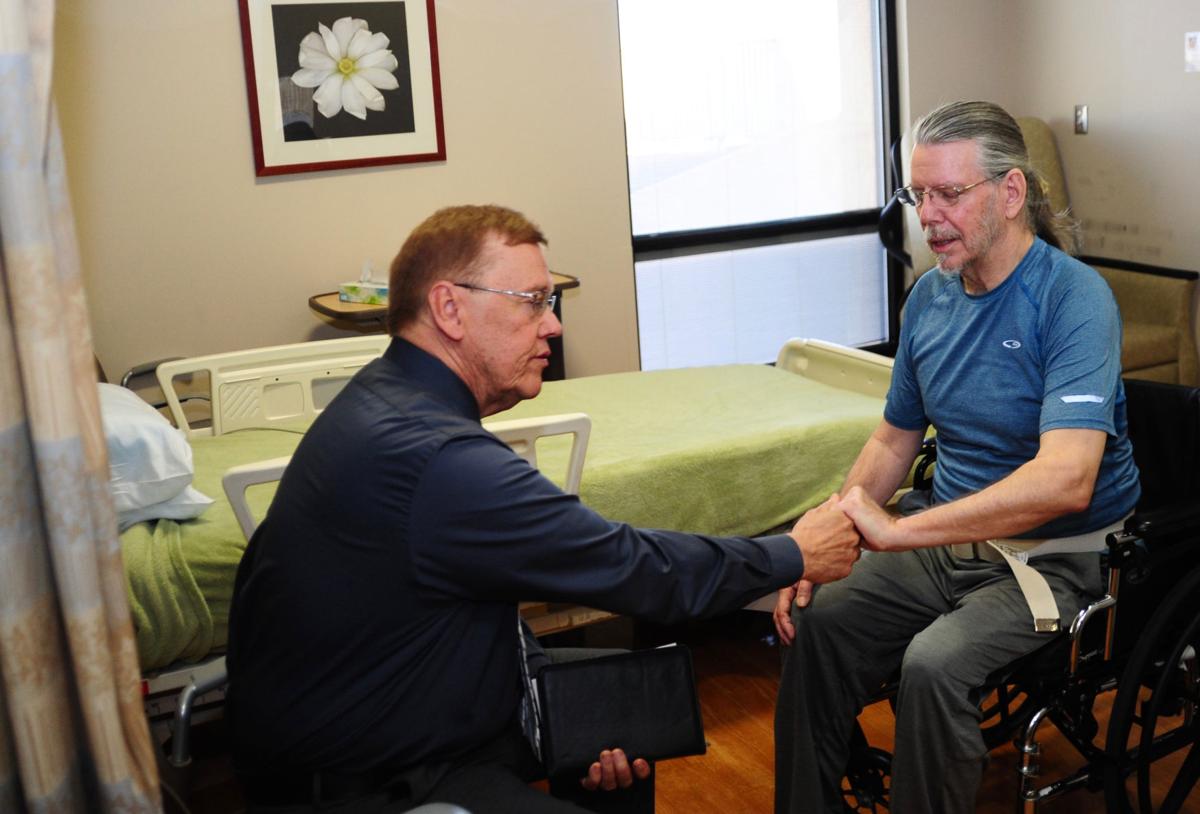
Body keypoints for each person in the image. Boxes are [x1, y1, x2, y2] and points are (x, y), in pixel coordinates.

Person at [226, 204, 862, 813]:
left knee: (624, 723)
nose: (553, 325)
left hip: (396, 709)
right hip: (371, 782)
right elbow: (638, 570)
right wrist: (795, 552)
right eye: (532, 302)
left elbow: (461, 593)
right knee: (619, 719)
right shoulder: (442, 461)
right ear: (449, 308)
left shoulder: (383, 395)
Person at [773, 100, 1141, 814]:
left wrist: (901, 530)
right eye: (918, 195)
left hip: (1056, 558)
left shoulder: (1074, 300)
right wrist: (829, 532)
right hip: (948, 540)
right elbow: (892, 438)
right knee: (815, 625)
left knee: (934, 665)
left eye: (948, 193)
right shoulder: (929, 303)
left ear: (1009, 194)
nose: (928, 215)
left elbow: (1067, 480)